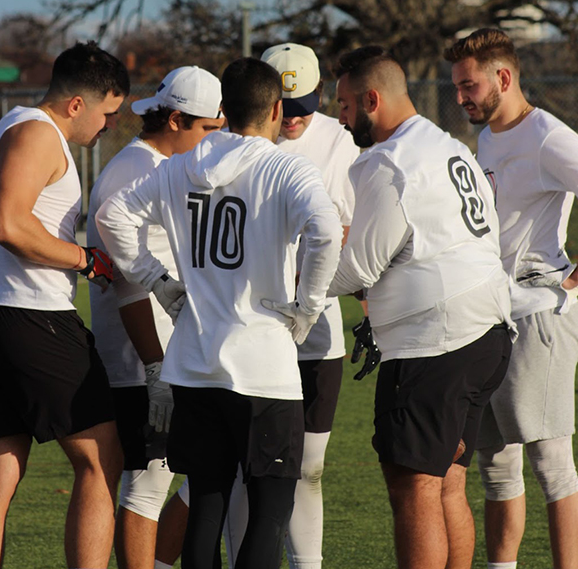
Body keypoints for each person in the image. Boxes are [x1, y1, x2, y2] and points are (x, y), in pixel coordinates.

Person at [95, 57, 342, 569]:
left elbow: (109, 215)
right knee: (269, 513)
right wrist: (308, 308)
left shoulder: (180, 166)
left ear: (224, 109)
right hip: (264, 368)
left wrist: (159, 283)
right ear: (277, 109)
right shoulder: (285, 165)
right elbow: (324, 230)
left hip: (194, 361)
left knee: (208, 501)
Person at [327, 46, 515, 569]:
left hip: (437, 342)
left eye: (344, 105)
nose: (340, 118)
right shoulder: (447, 143)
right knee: (447, 485)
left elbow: (358, 268)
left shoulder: (387, 161)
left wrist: (288, 287)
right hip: (488, 331)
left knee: (413, 489)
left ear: (371, 99)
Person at [0, 40, 130, 569]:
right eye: (108, 112)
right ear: (76, 105)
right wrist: (83, 260)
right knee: (100, 460)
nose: (108, 126)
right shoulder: (39, 134)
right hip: (30, 316)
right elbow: (6, 224)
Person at [224, 42, 364, 569]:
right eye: (288, 109)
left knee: (308, 466)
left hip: (315, 334)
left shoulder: (340, 142)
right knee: (245, 468)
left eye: (306, 107)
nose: (296, 120)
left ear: (319, 96)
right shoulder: (235, 144)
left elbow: (352, 230)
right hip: (250, 331)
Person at [446, 28, 578, 569]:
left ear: (504, 77)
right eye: (456, 86)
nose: (460, 97)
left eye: (468, 85)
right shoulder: (490, 138)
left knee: (552, 465)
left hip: (540, 315)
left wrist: (572, 281)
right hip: (492, 314)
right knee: (496, 465)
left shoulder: (547, 135)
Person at [87, 66, 224, 569]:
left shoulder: (158, 166)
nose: (214, 141)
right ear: (175, 119)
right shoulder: (135, 172)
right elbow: (127, 285)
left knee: (206, 465)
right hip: (143, 357)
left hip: (172, 351)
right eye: (207, 130)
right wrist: (152, 366)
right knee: (147, 485)